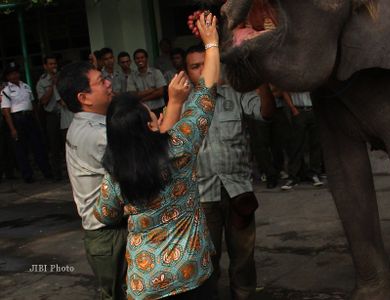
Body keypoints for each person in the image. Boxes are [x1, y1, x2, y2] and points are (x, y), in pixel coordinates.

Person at [94, 12, 220, 300]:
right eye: (154, 115)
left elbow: (103, 213)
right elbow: (207, 91)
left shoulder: (116, 173)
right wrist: (212, 42)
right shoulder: (179, 147)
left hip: (145, 282)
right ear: (151, 126)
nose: (159, 115)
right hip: (192, 273)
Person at [184, 45, 275, 299]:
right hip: (202, 196)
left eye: (206, 63)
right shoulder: (182, 104)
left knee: (244, 256)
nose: (202, 70)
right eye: (195, 66)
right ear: (187, 72)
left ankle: (243, 294)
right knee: (206, 259)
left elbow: (266, 113)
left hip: (238, 191)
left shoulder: (235, 94)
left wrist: (262, 81)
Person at [57, 61, 127, 299]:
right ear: (84, 97)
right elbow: (142, 170)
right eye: (101, 81)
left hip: (102, 235)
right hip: (111, 234)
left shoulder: (82, 125)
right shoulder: (98, 135)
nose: (109, 83)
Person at [1, 62, 52, 183]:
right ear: (7, 77)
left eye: (16, 73)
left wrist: (37, 120)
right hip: (17, 119)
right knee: (21, 149)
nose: (15, 76)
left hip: (29, 117)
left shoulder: (26, 86)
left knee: (38, 145)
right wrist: (12, 129)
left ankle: (46, 171)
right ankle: (27, 175)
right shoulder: (6, 90)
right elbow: (6, 111)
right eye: (11, 74)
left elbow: (32, 104)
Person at [281, 91, 324, 190]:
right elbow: (285, 91)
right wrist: (293, 109)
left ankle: (314, 174)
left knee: (315, 143)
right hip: (299, 110)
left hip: (314, 109)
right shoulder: (293, 76)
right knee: (296, 144)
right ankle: (294, 176)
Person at [37, 54, 63, 180]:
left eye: (55, 64)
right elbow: (43, 101)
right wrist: (52, 86)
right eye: (51, 64)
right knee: (54, 145)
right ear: (45, 66)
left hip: (64, 114)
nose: (54, 66)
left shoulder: (62, 77)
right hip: (52, 115)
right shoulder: (42, 82)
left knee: (67, 144)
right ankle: (57, 172)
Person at [127, 48, 167, 117]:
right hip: (142, 111)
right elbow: (133, 95)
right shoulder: (131, 76)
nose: (140, 60)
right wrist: (151, 90)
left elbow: (160, 92)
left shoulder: (156, 72)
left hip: (158, 109)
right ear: (134, 61)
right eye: (137, 58)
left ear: (146, 59)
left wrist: (143, 99)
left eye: (142, 57)